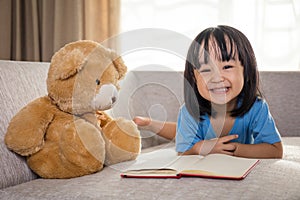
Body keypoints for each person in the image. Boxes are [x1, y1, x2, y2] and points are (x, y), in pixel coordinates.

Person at [134, 25, 283, 158]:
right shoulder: (190, 111)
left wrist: (234, 149)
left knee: (185, 132)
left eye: (227, 67)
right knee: (186, 132)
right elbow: (183, 149)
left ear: (246, 71)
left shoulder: (256, 108)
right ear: (194, 76)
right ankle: (150, 124)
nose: (216, 77)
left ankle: (151, 123)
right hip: (194, 135)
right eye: (206, 70)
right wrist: (203, 147)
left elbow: (275, 149)